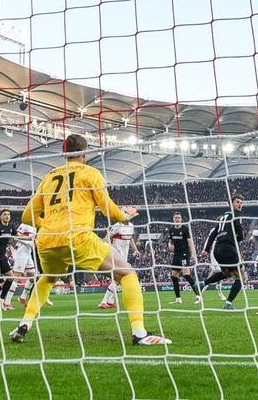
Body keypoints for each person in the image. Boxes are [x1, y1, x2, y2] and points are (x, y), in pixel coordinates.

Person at [9, 134, 170, 345]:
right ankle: (139, 333)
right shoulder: (90, 173)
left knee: (48, 278)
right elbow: (107, 209)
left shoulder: (49, 177)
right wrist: (125, 215)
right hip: (78, 238)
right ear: (85, 153)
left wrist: (48, 225)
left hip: (47, 241)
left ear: (64, 153)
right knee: (128, 274)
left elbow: (27, 216)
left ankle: (25, 323)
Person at [200, 195, 246, 309]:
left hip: (217, 250)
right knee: (241, 277)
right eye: (237, 202)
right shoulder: (237, 215)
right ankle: (228, 303)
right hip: (228, 249)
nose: (240, 204)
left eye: (241, 203)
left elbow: (213, 234)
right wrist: (237, 237)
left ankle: (203, 284)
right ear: (231, 203)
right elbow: (240, 236)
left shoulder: (222, 218)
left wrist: (206, 249)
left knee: (227, 273)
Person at [98, 222, 141, 309]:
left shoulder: (131, 225)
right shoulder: (117, 225)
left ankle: (110, 301)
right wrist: (110, 250)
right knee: (122, 276)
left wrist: (135, 250)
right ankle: (104, 301)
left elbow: (131, 239)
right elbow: (106, 238)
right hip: (117, 256)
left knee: (119, 279)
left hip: (124, 257)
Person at [167, 212, 200, 305]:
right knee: (173, 276)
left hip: (184, 254)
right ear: (173, 219)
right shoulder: (171, 230)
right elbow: (170, 241)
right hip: (176, 255)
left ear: (181, 219)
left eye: (179, 217)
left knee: (186, 275)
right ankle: (178, 298)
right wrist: (169, 245)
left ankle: (198, 295)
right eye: (176, 217)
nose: (177, 219)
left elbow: (190, 242)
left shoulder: (185, 229)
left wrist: (193, 254)